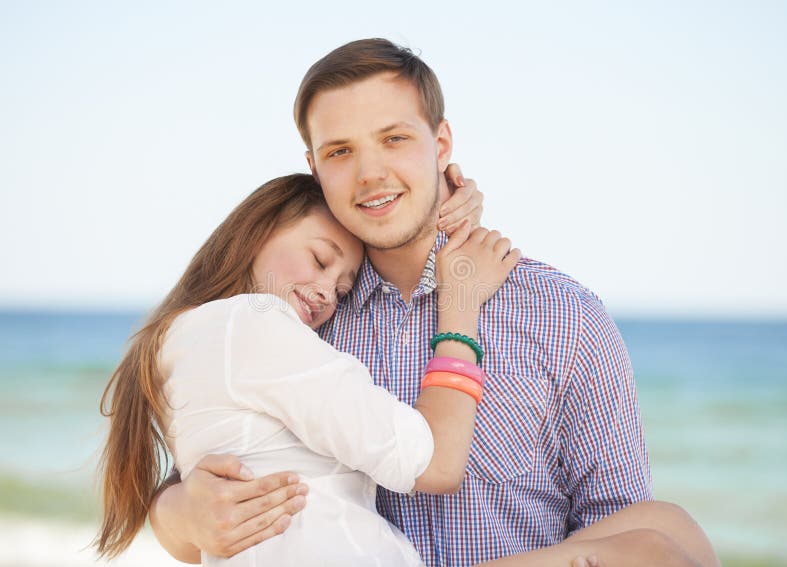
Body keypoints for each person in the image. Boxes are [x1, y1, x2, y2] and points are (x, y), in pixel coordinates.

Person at [148, 39, 719, 566]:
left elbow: (609, 520)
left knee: (666, 532)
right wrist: (179, 515)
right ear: (314, 167)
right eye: (341, 151)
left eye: (394, 138)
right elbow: (210, 462)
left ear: (440, 143)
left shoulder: (562, 314)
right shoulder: (299, 311)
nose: (372, 174)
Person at [95, 173, 516, 566]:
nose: (326, 293)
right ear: (258, 231)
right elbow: (435, 463)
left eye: (343, 289)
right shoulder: (251, 323)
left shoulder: (195, 336)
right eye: (318, 259)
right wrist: (461, 304)